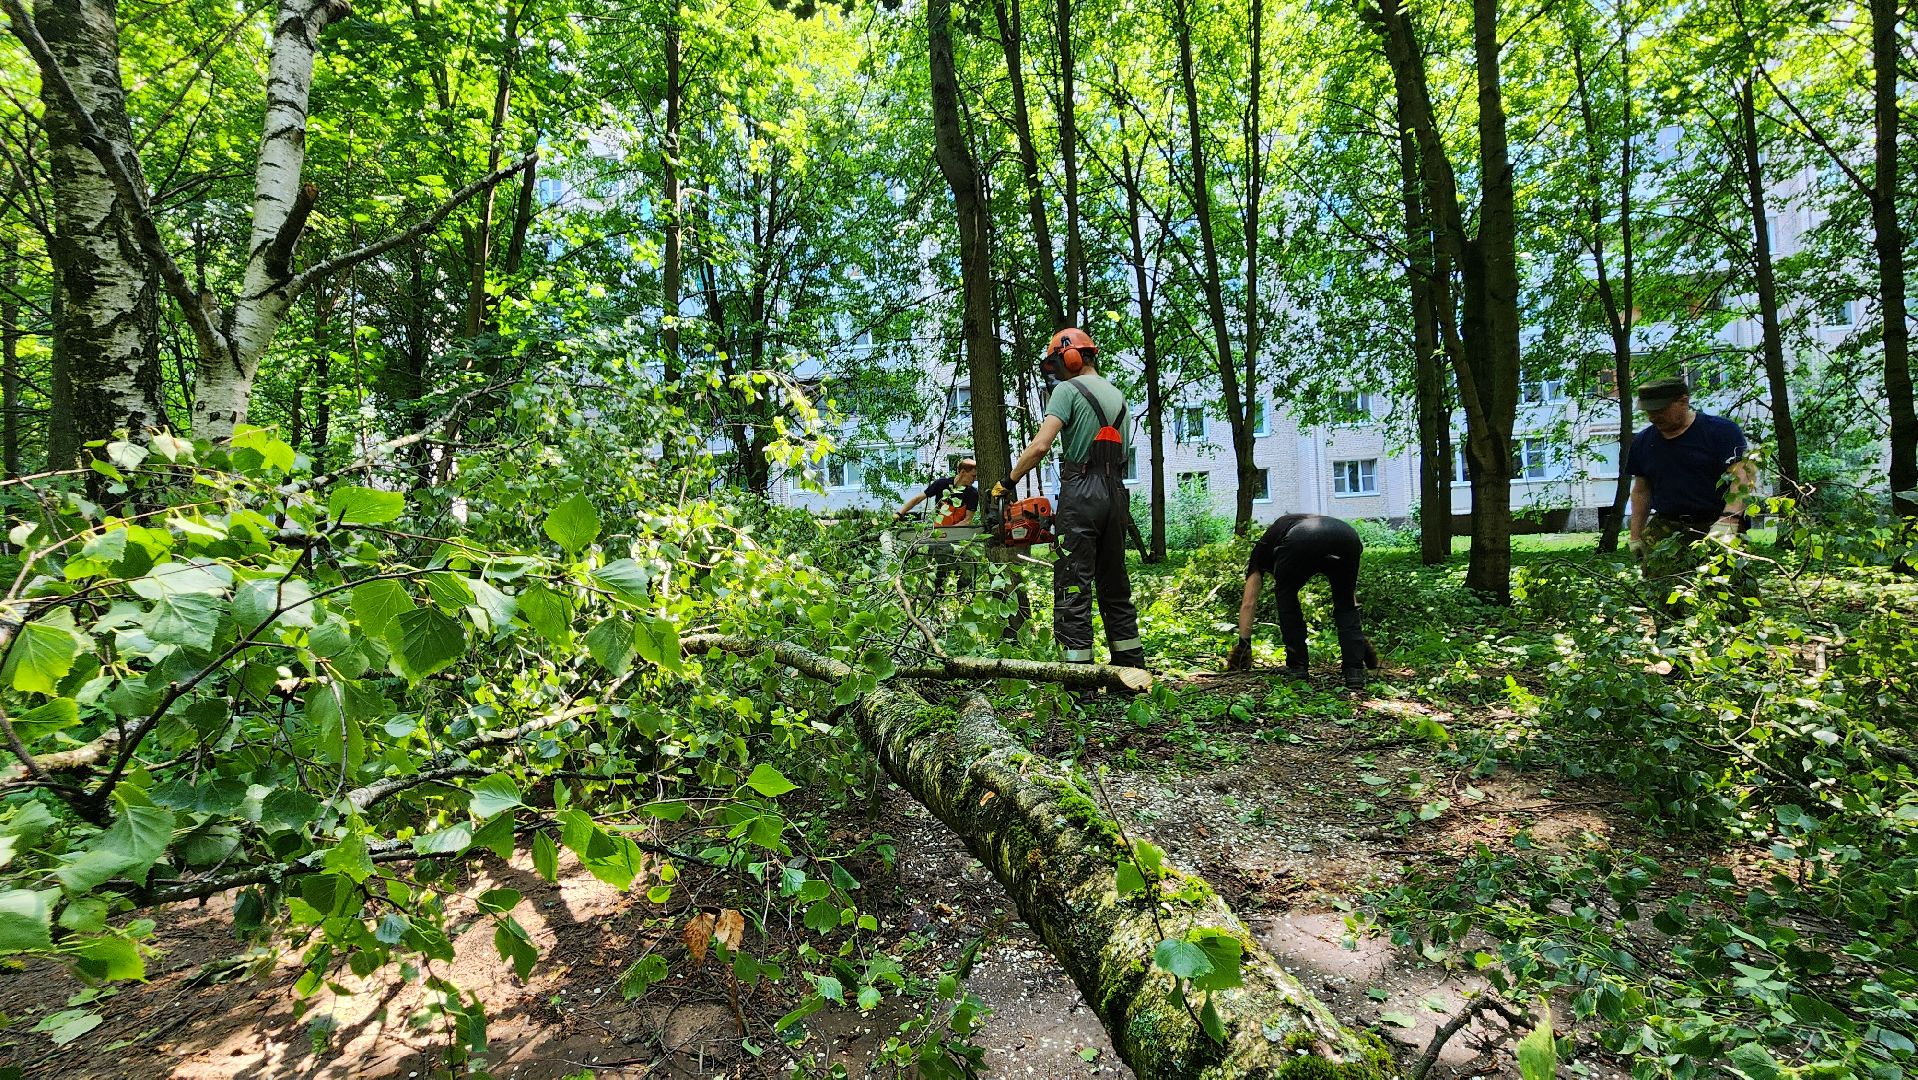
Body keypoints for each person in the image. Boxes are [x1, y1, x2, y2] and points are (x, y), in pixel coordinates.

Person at [990, 328, 1145, 670]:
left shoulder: (1066, 391)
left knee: (1073, 584)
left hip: (1082, 489)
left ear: (1071, 357)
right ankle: (1131, 671)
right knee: (1115, 585)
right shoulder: (1118, 396)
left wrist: (1008, 481)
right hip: (1117, 493)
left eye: (1057, 364)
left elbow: (1040, 446)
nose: (1056, 372)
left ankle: (1079, 680)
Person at [1626, 377, 1757, 591]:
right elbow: (1641, 491)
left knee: (1731, 594)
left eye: (1660, 409)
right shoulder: (1643, 442)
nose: (1653, 416)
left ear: (1683, 401)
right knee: (1666, 595)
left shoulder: (1720, 431)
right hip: (1667, 529)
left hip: (1717, 523)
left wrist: (1730, 519)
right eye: (1648, 411)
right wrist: (1635, 535)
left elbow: (1743, 475)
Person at [1226, 515, 1378, 689]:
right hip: (1347, 536)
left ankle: (1297, 666)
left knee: (1286, 596)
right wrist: (1357, 642)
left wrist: (1243, 647)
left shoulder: (1262, 549)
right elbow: (1350, 601)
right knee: (1345, 600)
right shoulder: (1290, 527)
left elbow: (1249, 602)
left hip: (1301, 539)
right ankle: (1355, 671)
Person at [895, 458, 978, 526]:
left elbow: (967, 521)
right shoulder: (941, 484)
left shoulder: (972, 493)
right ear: (962, 472)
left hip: (959, 534)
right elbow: (918, 499)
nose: (975, 479)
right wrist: (899, 513)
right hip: (938, 531)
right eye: (973, 476)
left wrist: (950, 532)